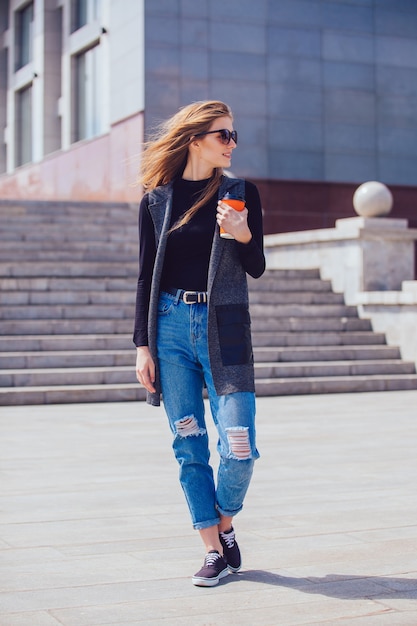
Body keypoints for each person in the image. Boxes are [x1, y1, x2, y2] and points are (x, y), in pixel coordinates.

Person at [133, 100, 265, 587]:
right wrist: (141, 345)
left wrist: (244, 232)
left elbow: (256, 266)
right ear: (195, 140)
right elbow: (147, 275)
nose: (232, 143)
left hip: (224, 326)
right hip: (168, 326)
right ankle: (212, 549)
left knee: (240, 446)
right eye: (223, 135)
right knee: (189, 445)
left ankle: (225, 520)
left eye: (234, 134)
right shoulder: (156, 199)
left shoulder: (240, 191)